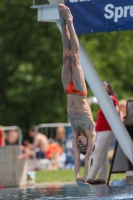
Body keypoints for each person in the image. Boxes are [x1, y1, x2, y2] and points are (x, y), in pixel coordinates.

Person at [58, 4, 96, 186]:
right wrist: (86, 176)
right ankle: (71, 22)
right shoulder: (90, 129)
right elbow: (87, 156)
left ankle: (62, 22)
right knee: (75, 57)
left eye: (79, 145)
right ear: (88, 142)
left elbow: (75, 156)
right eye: (83, 145)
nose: (79, 145)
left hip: (67, 89)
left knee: (66, 56)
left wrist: (77, 177)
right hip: (80, 91)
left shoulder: (74, 131)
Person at [87, 81, 119, 184]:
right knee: (103, 153)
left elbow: (115, 111)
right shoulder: (108, 99)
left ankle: (91, 176)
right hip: (103, 130)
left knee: (98, 152)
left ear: (108, 88)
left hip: (106, 129)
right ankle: (102, 176)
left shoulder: (110, 99)